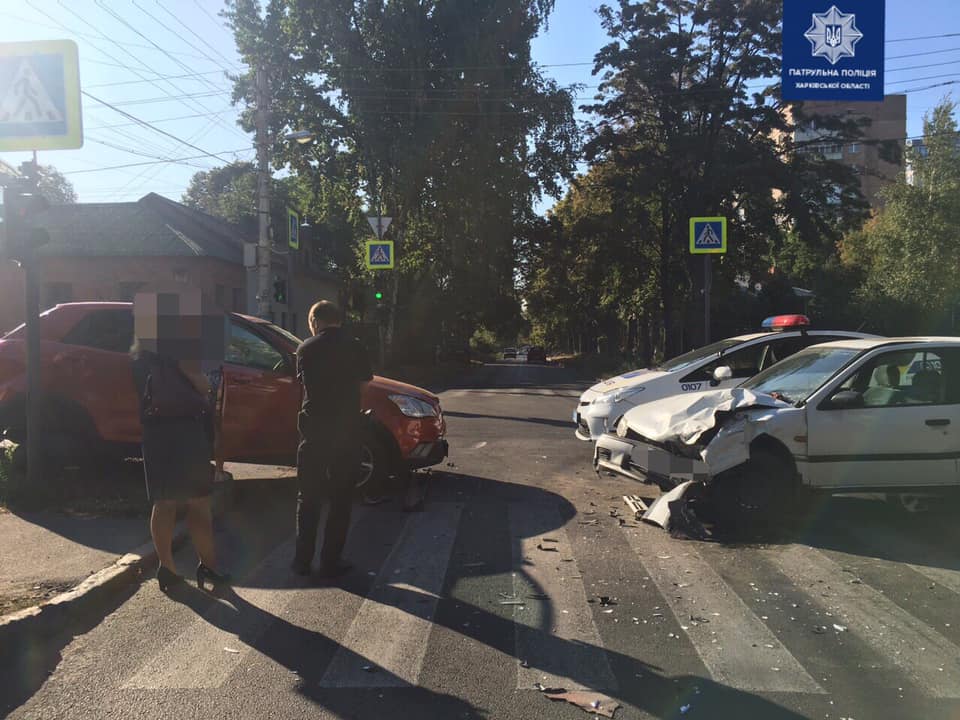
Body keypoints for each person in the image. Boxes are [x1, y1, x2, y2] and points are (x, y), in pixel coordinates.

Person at [131, 292, 231, 593]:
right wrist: (209, 387)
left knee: (164, 503)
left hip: (155, 434)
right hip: (186, 432)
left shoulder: (139, 355)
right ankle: (209, 567)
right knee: (199, 504)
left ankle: (167, 567)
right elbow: (201, 384)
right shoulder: (182, 351)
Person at [293, 300, 373, 579]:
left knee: (309, 498)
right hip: (347, 433)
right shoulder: (357, 347)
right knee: (340, 500)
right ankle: (331, 561)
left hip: (314, 432)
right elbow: (364, 385)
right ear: (339, 320)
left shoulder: (305, 349)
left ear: (315, 321)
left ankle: (302, 561)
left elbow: (304, 385)